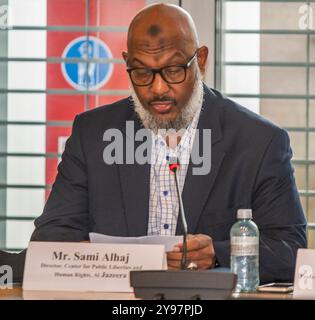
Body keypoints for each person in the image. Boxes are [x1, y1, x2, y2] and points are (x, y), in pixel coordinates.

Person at [10, 3, 307, 283]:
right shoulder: (93, 134)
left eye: (173, 70)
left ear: (200, 61)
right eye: (142, 72)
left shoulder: (258, 141)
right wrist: (102, 260)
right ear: (127, 63)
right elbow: (51, 239)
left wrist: (217, 253)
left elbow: (289, 250)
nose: (158, 88)